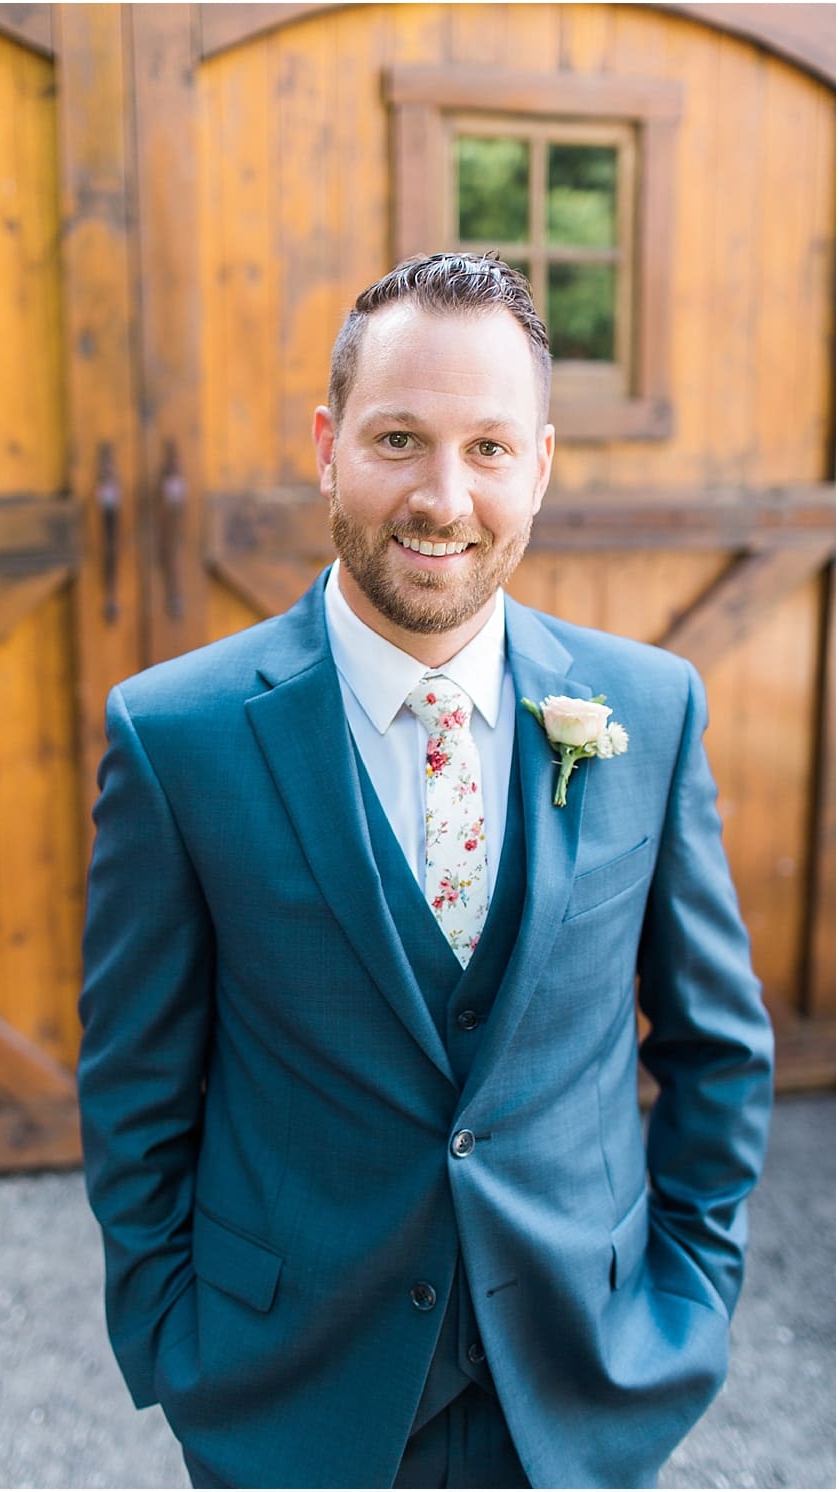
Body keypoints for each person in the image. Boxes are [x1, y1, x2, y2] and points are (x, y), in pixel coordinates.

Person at [76, 253, 773, 1488]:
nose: (443, 499)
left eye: (489, 449)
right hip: (287, 1391)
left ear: (542, 465)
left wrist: (690, 1302)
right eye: (399, 438)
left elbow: (716, 1044)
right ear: (327, 444)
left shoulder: (649, 712)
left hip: (577, 1378)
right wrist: (172, 1335)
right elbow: (136, 1081)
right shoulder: (174, 737)